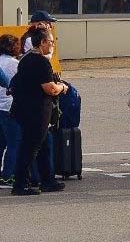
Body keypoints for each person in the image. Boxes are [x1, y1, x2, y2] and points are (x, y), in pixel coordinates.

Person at [9, 28, 68, 196]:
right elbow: (50, 89)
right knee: (30, 147)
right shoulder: (40, 62)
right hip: (36, 111)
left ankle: (47, 180)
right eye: (50, 42)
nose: (52, 45)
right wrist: (62, 87)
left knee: (43, 146)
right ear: (42, 42)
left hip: (23, 108)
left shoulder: (25, 58)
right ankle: (20, 184)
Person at [0, 35, 21, 186]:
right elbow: (15, 85)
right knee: (14, 142)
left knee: (1, 143)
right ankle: (8, 174)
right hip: (9, 106)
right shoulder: (15, 64)